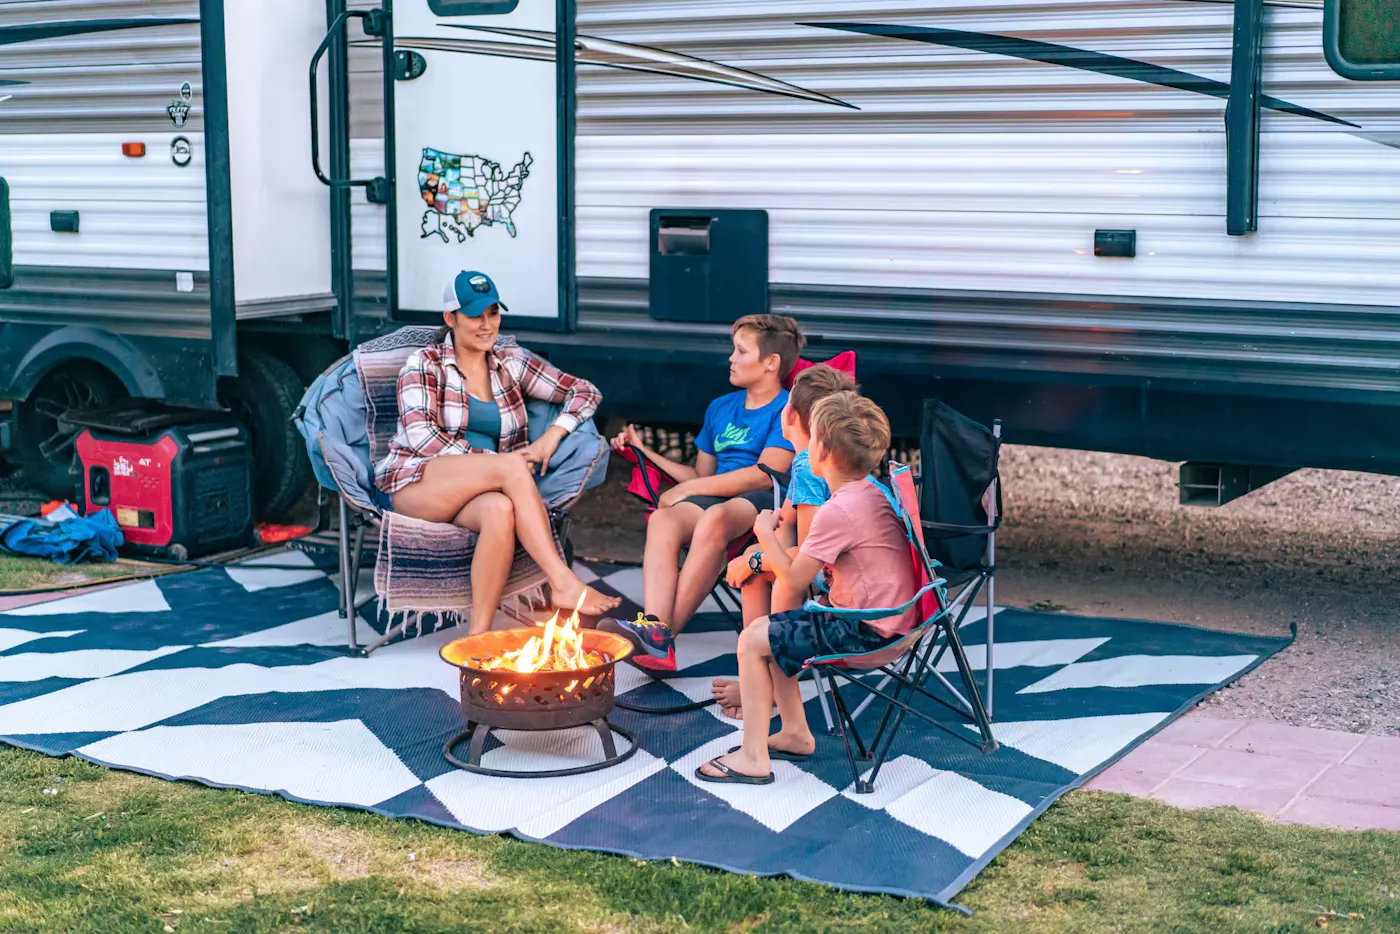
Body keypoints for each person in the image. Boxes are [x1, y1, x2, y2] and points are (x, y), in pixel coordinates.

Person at [374, 270, 621, 630]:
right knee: (509, 472)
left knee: (500, 509)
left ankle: (478, 635)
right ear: (450, 318)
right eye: (475, 315)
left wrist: (552, 435)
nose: (487, 325)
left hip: (484, 490)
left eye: (493, 313)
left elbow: (585, 391)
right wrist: (497, 464)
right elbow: (421, 438)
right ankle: (562, 581)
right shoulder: (424, 364)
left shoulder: (509, 362)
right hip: (415, 482)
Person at [695, 392, 919, 785]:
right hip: (896, 623)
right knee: (778, 629)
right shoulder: (867, 491)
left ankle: (752, 757)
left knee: (753, 639)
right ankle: (796, 733)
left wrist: (764, 535)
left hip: (864, 632)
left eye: (811, 437)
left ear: (825, 452)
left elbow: (794, 578)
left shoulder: (838, 510)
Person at [604, 314, 805, 670]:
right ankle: (654, 631)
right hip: (715, 494)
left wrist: (689, 489)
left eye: (741, 351)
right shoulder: (720, 408)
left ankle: (659, 639)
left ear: (771, 363)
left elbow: (765, 474)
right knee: (664, 519)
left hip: (766, 502)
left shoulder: (788, 409)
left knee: (713, 517)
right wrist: (644, 450)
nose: (731, 358)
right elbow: (700, 474)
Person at [711, 363, 857, 718]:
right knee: (758, 556)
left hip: (839, 575)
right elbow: (788, 516)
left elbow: (808, 560)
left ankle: (764, 681)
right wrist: (762, 541)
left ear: (788, 414)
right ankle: (763, 675)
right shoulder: (824, 458)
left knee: (755, 572)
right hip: (860, 568)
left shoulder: (809, 468)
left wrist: (752, 560)